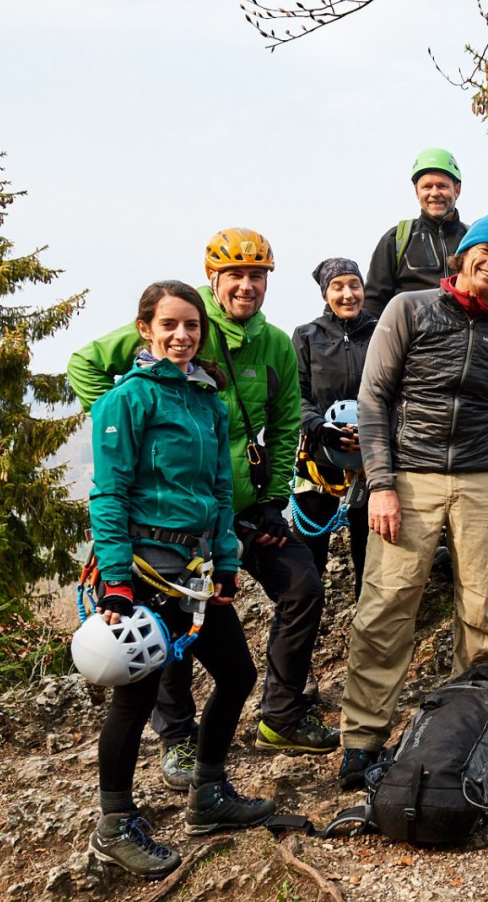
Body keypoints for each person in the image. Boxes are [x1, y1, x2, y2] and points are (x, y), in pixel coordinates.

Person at [69, 229, 336, 782]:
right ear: (212, 278)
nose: (245, 285)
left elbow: (286, 421)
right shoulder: (180, 316)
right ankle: (178, 738)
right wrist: (138, 434)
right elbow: (85, 363)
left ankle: (281, 713)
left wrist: (271, 502)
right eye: (234, 275)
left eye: (256, 275)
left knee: (303, 585)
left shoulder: (275, 345)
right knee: (173, 630)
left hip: (236, 511)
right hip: (170, 525)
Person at [340, 214, 488, 790]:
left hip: (484, 480)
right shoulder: (410, 309)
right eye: (486, 252)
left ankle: (467, 734)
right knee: (387, 605)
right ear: (464, 255)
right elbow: (373, 399)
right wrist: (380, 483)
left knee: (483, 612)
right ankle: (362, 738)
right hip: (411, 477)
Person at [84, 281, 274, 878]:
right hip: (143, 570)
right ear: (145, 329)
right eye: (168, 325)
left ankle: (209, 795)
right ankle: (113, 826)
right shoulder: (127, 401)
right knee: (136, 697)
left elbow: (220, 490)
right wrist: (116, 582)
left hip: (195, 572)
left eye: (191, 326)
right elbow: (108, 494)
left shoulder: (206, 401)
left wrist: (225, 561)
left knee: (238, 673)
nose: (181, 336)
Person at [291, 257, 375, 598]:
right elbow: (294, 394)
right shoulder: (306, 336)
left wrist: (373, 433)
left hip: (371, 465)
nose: (347, 294)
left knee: (369, 559)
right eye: (338, 287)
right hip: (317, 462)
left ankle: (367, 636)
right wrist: (318, 427)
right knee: (307, 562)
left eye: (354, 285)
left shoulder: (381, 331)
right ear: (325, 293)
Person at [364, 148, 469, 317]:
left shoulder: (472, 241)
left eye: (442, 186)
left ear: (457, 190)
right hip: (411, 340)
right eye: (427, 186)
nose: (434, 193)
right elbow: (373, 303)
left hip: (463, 339)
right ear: (416, 192)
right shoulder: (396, 240)